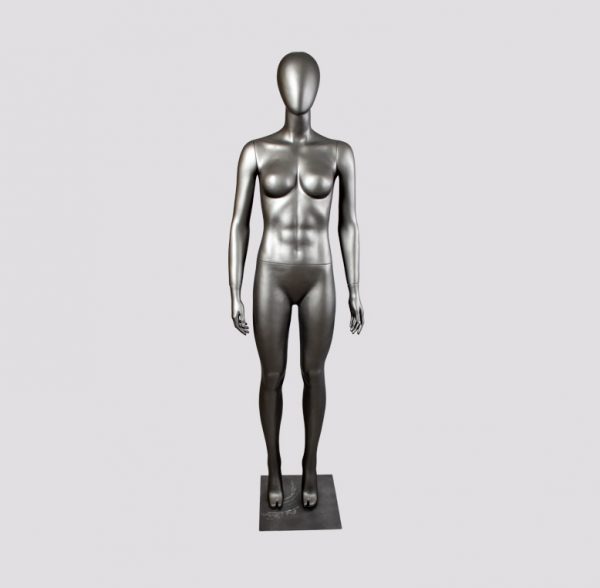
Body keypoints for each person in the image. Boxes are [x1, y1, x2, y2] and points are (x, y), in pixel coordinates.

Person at [228, 51, 364, 509]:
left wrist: (355, 287)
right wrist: (233, 290)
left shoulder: (339, 152)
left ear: (317, 88)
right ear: (280, 88)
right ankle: (273, 466)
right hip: (271, 272)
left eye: (306, 81)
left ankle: (309, 465)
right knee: (271, 375)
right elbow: (239, 223)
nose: (299, 90)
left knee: (314, 373)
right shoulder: (256, 151)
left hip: (319, 274)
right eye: (292, 81)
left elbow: (349, 223)